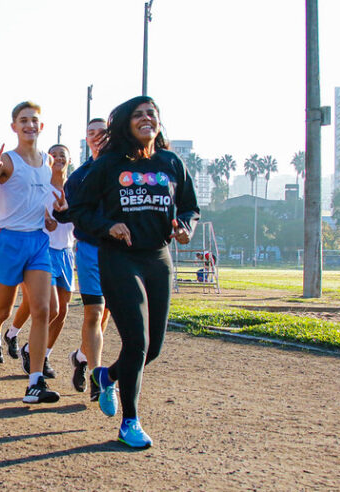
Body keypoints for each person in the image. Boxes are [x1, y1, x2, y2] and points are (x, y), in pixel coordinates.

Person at [67, 95, 199, 449]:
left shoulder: (171, 162)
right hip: (119, 258)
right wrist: (108, 226)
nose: (146, 119)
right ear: (126, 124)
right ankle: (130, 422)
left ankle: (106, 375)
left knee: (152, 349)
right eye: (138, 115)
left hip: (157, 258)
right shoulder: (109, 164)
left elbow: (190, 208)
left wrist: (185, 227)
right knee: (136, 342)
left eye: (151, 114)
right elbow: (79, 209)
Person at [0, 101, 59, 404]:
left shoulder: (48, 162)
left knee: (43, 310)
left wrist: (48, 217)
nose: (29, 125)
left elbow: (42, 200)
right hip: (8, 241)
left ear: (41, 126)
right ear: (14, 126)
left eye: (34, 120)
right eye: (23, 120)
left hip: (37, 241)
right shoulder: (6, 160)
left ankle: (35, 382)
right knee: (2, 310)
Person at [50, 118, 112, 401]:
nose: (97, 137)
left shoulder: (123, 169)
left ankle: (81, 357)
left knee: (106, 315)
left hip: (121, 253)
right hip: (88, 249)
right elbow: (68, 212)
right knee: (94, 313)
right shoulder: (80, 176)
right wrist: (61, 211)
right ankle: (98, 376)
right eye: (91, 133)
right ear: (86, 139)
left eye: (102, 132)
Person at [8, 144, 74, 380]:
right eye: (53, 155)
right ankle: (18, 338)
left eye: (62, 156)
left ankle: (41, 354)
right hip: (42, 251)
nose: (58, 158)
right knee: (51, 309)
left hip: (66, 252)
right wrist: (46, 220)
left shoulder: (74, 189)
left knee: (62, 312)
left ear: (69, 160)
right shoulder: (41, 186)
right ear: (47, 158)